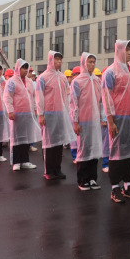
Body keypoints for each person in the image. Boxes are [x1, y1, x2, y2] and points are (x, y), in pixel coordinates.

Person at [102, 40, 130, 203]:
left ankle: (128, 185)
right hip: (118, 118)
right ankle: (115, 187)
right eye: (126, 50)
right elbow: (106, 97)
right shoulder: (110, 72)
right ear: (118, 51)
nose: (129, 53)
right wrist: (110, 121)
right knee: (117, 153)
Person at [36, 51, 76, 180]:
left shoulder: (63, 78)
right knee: (49, 143)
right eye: (57, 59)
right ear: (51, 60)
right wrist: (41, 114)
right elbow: (39, 97)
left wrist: (67, 111)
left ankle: (57, 169)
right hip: (48, 113)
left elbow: (67, 95)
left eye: (60, 59)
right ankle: (48, 171)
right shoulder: (43, 78)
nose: (59, 62)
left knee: (59, 142)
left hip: (60, 113)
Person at [70, 53, 104, 191]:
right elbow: (74, 103)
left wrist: (102, 117)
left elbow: (101, 101)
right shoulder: (77, 81)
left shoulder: (97, 80)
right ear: (84, 63)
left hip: (94, 121)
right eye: (89, 62)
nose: (92, 64)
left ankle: (92, 178)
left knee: (94, 148)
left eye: (94, 62)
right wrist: (75, 121)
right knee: (84, 149)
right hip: (83, 121)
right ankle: (82, 179)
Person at [4, 59, 40, 171]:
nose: (25, 70)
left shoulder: (29, 82)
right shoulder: (12, 81)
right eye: (23, 68)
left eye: (26, 68)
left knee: (26, 138)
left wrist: (35, 109)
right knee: (16, 138)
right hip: (17, 114)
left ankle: (25, 161)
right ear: (18, 68)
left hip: (28, 114)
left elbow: (33, 97)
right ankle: (16, 162)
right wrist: (10, 111)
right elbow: (8, 97)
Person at [96, 67, 110, 173]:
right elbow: (100, 105)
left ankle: (112, 162)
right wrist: (103, 118)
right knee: (106, 143)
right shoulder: (101, 88)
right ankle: (105, 163)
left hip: (114, 118)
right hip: (105, 119)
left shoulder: (112, 87)